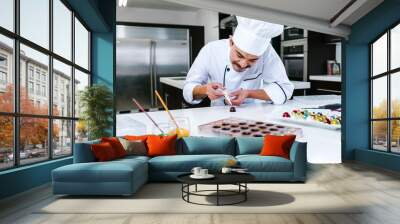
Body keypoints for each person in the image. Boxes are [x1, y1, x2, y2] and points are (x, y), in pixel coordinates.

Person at [183, 16, 294, 106]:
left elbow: (285, 88)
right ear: (231, 42)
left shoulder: (267, 52)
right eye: (239, 55)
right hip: (218, 114)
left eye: (253, 59)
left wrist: (249, 93)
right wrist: (205, 90)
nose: (243, 64)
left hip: (254, 113)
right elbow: (188, 89)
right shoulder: (211, 50)